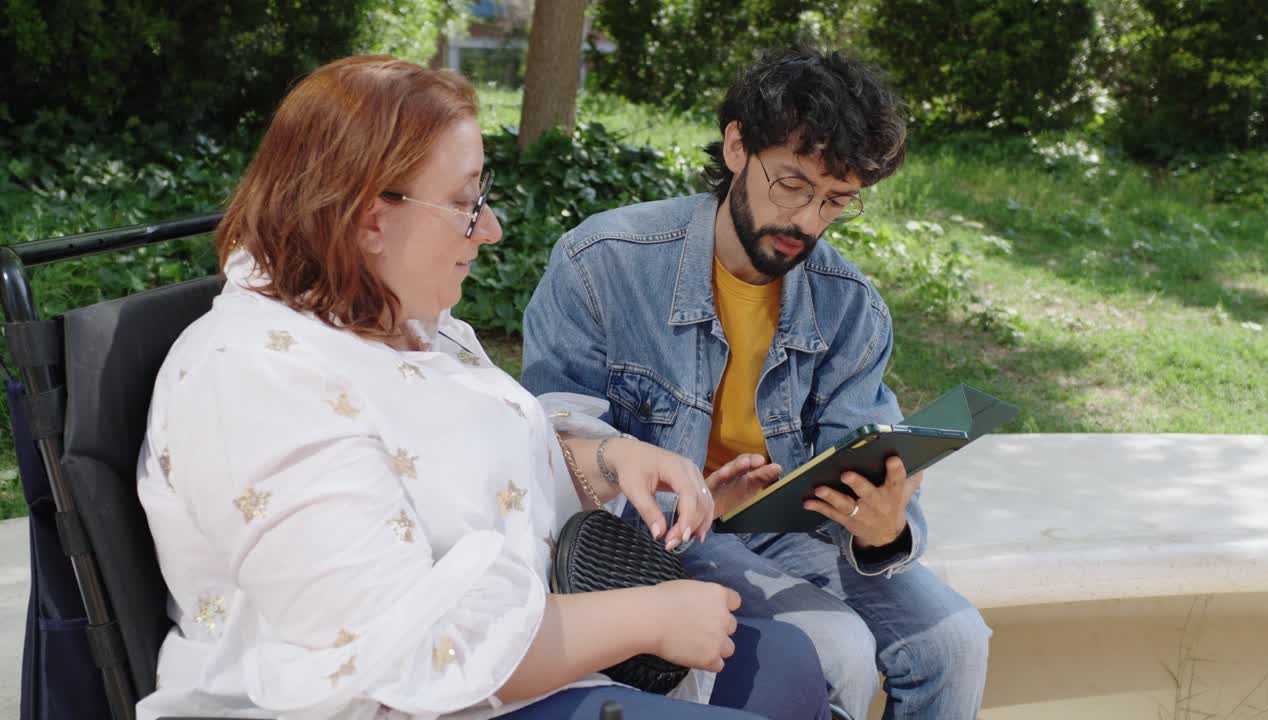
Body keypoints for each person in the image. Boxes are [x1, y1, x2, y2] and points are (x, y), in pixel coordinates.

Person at [135, 55, 831, 720]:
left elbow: (492, 479)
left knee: (793, 664)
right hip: (398, 701)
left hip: (508, 658)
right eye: (467, 205)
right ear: (369, 219)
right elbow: (401, 653)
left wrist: (608, 461)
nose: (491, 229)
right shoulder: (254, 382)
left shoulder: (404, 324)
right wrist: (647, 617)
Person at [521, 48, 990, 718]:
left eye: (836, 201)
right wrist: (683, 496)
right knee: (841, 650)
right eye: (793, 184)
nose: (807, 221)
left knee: (956, 640)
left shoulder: (850, 306)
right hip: (660, 533)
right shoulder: (601, 265)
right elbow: (551, 445)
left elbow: (858, 452)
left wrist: (881, 529)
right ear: (737, 144)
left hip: (788, 532)